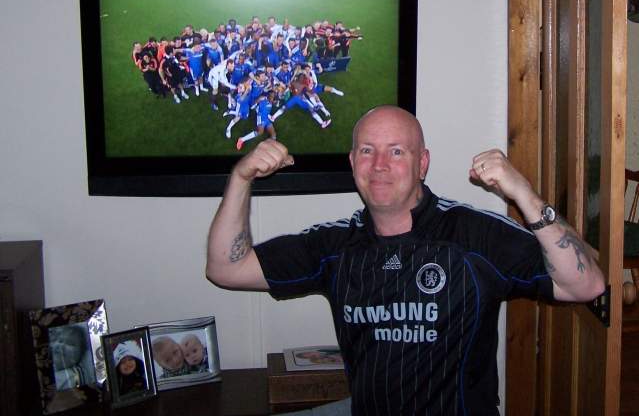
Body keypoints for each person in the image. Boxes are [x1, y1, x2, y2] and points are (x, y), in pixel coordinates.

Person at [206, 105, 605, 415]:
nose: (379, 165)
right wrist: (241, 178)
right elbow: (226, 268)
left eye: (396, 151)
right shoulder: (335, 245)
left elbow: (586, 285)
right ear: (353, 162)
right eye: (367, 151)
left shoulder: (474, 235)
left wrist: (524, 193)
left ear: (422, 164)